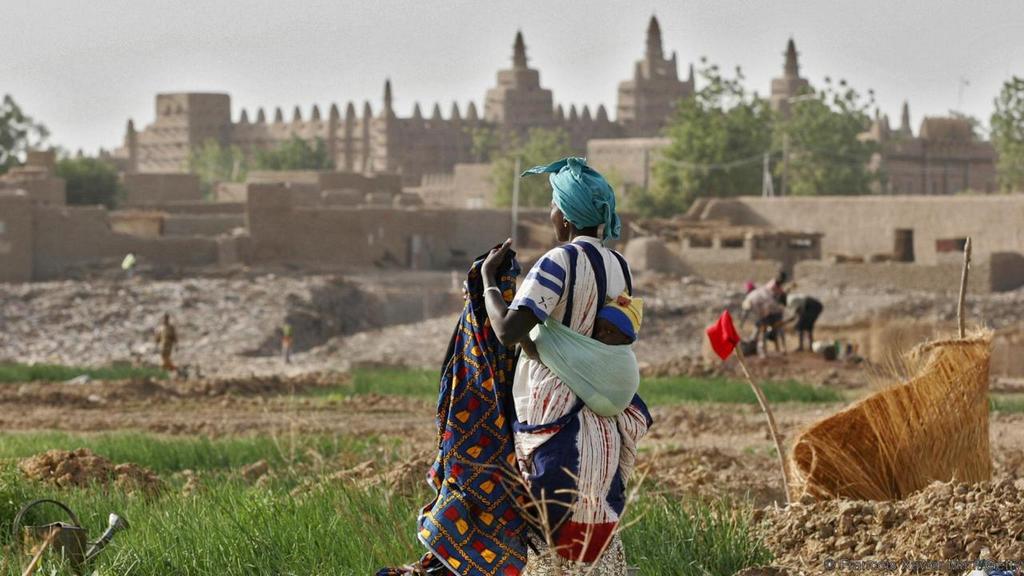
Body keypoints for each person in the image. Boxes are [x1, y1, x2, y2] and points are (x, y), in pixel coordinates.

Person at [481, 157, 651, 574]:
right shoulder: (620, 267)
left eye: (554, 206)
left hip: (554, 403)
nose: (550, 214)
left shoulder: (558, 262)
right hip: (599, 411)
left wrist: (488, 282)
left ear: (567, 215)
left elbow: (509, 329)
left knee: (547, 516)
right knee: (590, 514)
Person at [741, 281, 786, 354]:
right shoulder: (756, 294)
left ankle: (775, 349)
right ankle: (772, 349)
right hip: (771, 314)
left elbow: (766, 307)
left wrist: (763, 317)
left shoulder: (752, 298)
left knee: (772, 331)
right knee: (765, 330)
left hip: (773, 314)